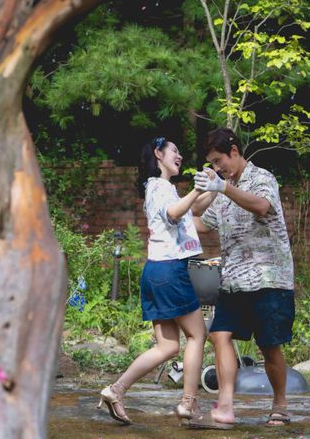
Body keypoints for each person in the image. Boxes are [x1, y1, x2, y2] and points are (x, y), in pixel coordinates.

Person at [192, 127, 295, 430]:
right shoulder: (222, 190)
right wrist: (172, 212)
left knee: (269, 345)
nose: (216, 167)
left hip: (268, 277)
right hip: (234, 279)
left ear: (234, 151)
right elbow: (201, 223)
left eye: (218, 160)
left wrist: (223, 187)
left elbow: (261, 206)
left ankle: (280, 405)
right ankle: (225, 407)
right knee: (219, 334)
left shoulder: (262, 178)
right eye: (211, 163)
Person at [99, 136, 206, 426]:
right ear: (158, 154)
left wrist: (214, 188)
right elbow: (174, 214)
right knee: (197, 335)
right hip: (171, 271)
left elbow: (193, 211)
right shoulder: (159, 186)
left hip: (156, 272)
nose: (179, 156)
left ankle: (116, 390)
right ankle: (188, 404)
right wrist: (198, 189)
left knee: (167, 347)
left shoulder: (161, 188)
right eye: (174, 151)